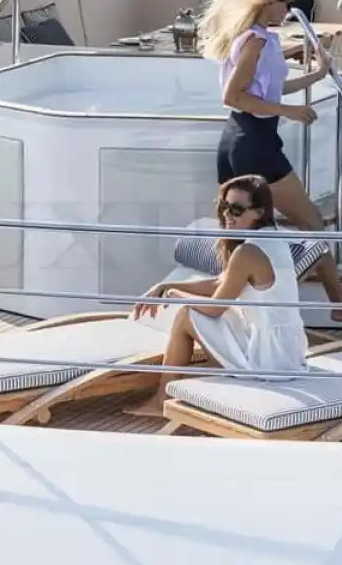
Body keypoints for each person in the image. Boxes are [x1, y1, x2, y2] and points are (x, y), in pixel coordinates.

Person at [201, 0, 342, 328]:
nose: (289, 9)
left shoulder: (256, 37)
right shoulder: (256, 41)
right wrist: (288, 112)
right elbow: (233, 96)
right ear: (266, 0)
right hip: (254, 143)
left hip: (237, 139)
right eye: (285, 1)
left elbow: (270, 89)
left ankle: (229, 306)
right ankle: (340, 304)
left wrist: (317, 75)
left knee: (241, 231)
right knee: (311, 223)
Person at [125, 175, 310, 418]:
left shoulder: (248, 252)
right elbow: (219, 283)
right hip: (287, 353)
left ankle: (161, 401)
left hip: (267, 361)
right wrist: (165, 285)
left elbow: (214, 309)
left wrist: (175, 295)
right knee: (196, 311)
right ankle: (166, 395)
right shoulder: (273, 239)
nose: (227, 215)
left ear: (258, 212)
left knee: (186, 315)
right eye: (224, 206)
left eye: (236, 209)